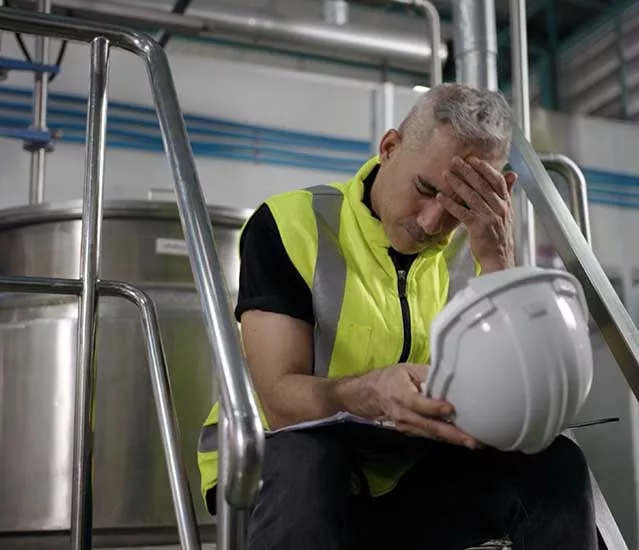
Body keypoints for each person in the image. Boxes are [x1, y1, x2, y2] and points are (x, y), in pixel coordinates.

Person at [196, 83, 597, 550]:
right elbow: (279, 400)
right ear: (389, 148)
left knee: (556, 464)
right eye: (425, 189)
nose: (430, 224)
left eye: (455, 205)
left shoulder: (478, 247)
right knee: (312, 459)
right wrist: (372, 392)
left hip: (404, 476)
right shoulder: (291, 225)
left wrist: (498, 264)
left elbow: (522, 391)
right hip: (278, 477)